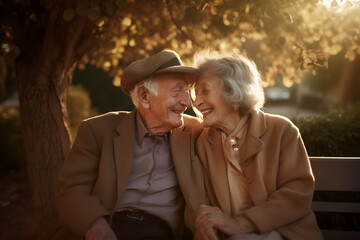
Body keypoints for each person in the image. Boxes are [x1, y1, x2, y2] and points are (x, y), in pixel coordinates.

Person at [56, 50, 206, 239]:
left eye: (186, 90)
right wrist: (96, 227)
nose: (187, 101)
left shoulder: (197, 132)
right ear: (144, 95)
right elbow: (71, 191)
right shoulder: (97, 130)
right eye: (177, 91)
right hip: (107, 226)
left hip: (159, 233)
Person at [190, 51, 323, 240]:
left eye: (204, 91)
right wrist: (208, 224)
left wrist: (239, 225)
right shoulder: (204, 143)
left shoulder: (282, 130)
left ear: (233, 89)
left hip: (286, 234)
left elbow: (297, 192)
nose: (196, 102)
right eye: (195, 93)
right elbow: (207, 203)